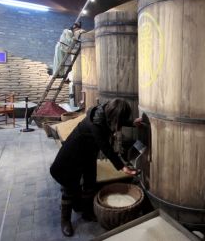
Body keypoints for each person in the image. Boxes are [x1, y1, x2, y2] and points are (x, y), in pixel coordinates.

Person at [50, 98, 141, 237]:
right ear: (112, 115)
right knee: (70, 188)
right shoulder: (95, 125)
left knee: (90, 182)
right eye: (120, 120)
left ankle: (86, 212)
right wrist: (122, 167)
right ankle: (65, 220)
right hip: (72, 154)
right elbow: (106, 147)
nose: (119, 124)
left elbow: (117, 119)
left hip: (88, 154)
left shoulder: (105, 110)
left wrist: (132, 123)